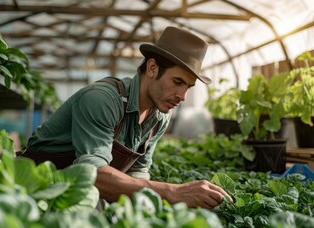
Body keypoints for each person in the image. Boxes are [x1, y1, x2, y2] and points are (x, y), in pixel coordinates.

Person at [19, 26, 232, 209]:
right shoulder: (102, 99)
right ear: (152, 68)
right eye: (177, 82)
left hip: (74, 189)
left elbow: (138, 173)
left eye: (188, 87)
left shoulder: (159, 117)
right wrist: (172, 191)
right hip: (32, 187)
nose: (183, 96)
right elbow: (95, 174)